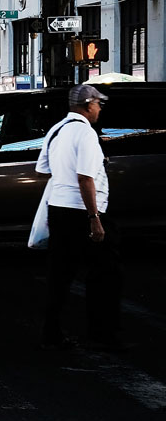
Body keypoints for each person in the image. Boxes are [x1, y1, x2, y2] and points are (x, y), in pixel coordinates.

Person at [35, 84, 125, 351]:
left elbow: (42, 169)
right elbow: (85, 178)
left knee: (59, 275)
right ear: (88, 105)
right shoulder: (85, 134)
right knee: (107, 273)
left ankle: (52, 333)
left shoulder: (57, 130)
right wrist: (94, 218)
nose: (99, 109)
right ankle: (103, 334)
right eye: (98, 104)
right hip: (82, 211)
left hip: (58, 209)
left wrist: (66, 170)